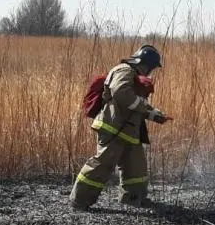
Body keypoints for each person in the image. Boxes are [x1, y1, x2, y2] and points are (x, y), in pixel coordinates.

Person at [69, 44, 169, 210]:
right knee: (102, 165)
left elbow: (135, 105)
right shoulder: (124, 70)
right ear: (145, 64)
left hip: (128, 131)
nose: (150, 71)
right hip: (113, 129)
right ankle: (79, 200)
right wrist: (143, 107)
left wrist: (156, 115)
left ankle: (133, 198)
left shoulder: (133, 75)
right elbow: (121, 93)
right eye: (150, 67)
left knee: (136, 167)